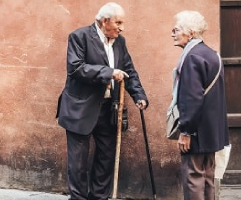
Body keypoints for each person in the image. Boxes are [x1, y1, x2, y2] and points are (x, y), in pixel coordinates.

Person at [55, 2, 149, 200]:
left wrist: (138, 95)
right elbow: (75, 68)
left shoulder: (120, 42)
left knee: (106, 157)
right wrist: (108, 72)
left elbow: (129, 70)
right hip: (80, 109)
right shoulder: (79, 37)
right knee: (78, 162)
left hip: (108, 109)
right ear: (105, 21)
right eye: (118, 22)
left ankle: (99, 197)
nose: (122, 28)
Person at [168, 10, 229, 200]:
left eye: (176, 29)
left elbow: (192, 98)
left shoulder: (192, 57)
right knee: (208, 177)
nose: (173, 33)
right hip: (212, 131)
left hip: (196, 132)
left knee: (193, 177)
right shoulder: (212, 54)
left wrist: (186, 132)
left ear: (191, 32)